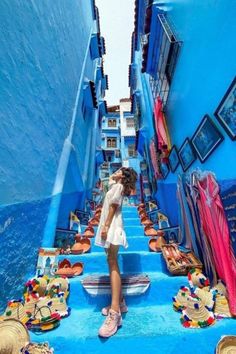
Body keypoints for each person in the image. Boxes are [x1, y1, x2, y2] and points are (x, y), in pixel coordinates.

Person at [95, 167, 137, 338]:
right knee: (110, 260)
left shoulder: (119, 188)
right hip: (109, 223)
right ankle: (120, 302)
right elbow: (110, 180)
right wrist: (116, 175)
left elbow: (113, 206)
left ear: (124, 175)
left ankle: (115, 313)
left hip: (111, 225)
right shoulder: (115, 184)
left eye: (121, 169)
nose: (117, 170)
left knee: (112, 262)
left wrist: (105, 226)